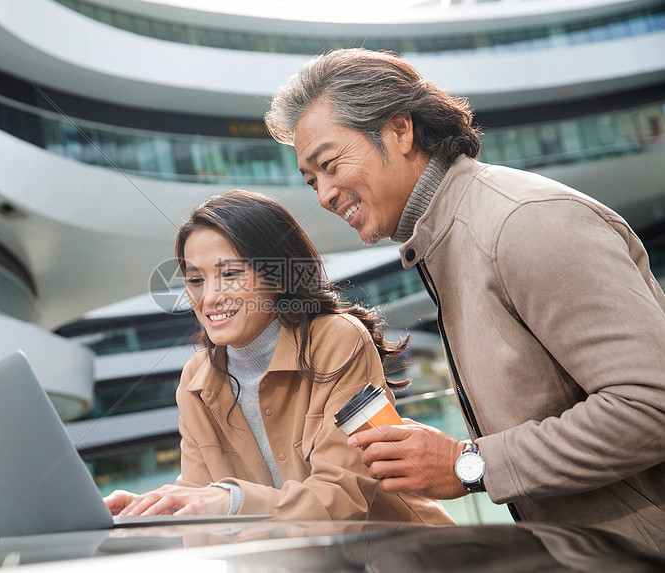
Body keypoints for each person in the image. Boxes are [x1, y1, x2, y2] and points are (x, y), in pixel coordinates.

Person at [264, 48, 665, 550]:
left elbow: (652, 404)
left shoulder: (523, 222)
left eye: (329, 164)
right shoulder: (444, 241)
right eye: (310, 179)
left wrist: (467, 463)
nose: (322, 194)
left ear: (401, 130)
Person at [103, 190, 453, 523]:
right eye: (195, 280)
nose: (209, 298)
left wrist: (230, 501)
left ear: (278, 276)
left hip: (405, 554)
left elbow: (343, 498)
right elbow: (200, 498)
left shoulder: (337, 338)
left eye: (230, 274)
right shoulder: (196, 380)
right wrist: (153, 512)